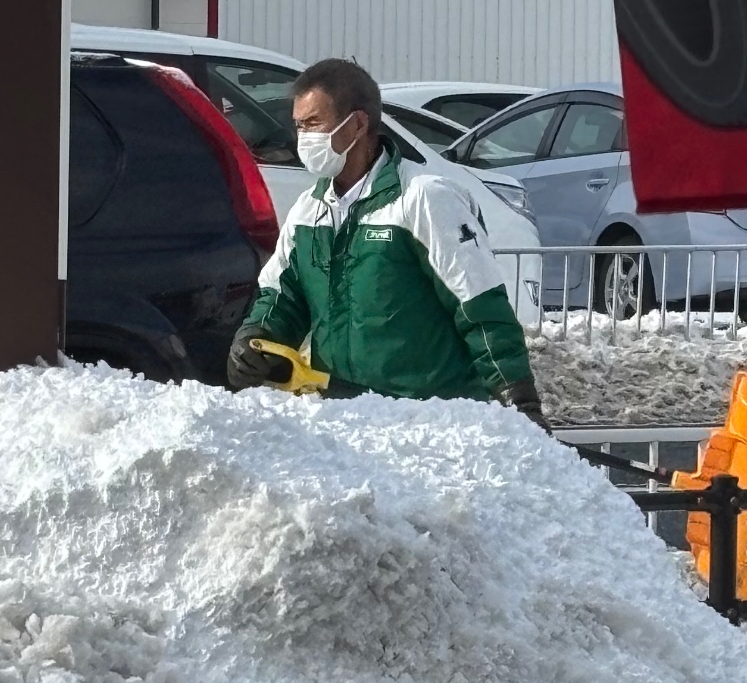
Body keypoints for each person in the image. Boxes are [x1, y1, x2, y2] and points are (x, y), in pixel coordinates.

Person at [226, 57, 545, 420]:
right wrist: (254, 337)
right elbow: (283, 296)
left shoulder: (423, 198)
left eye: (314, 123)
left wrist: (519, 400)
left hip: (430, 418)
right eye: (299, 126)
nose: (304, 138)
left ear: (358, 123)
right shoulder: (308, 211)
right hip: (345, 414)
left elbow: (479, 306)